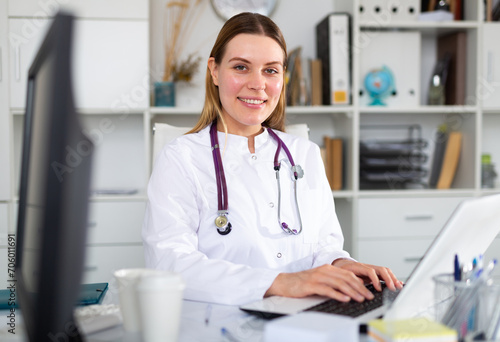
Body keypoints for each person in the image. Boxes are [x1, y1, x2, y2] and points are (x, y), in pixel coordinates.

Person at [142, 12, 403, 305]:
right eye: (241, 67)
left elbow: (324, 247)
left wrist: (341, 265)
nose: (258, 84)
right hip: (217, 321)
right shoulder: (181, 158)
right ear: (214, 71)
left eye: (271, 70)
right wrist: (280, 283)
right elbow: (169, 264)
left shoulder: (305, 154)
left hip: (302, 319)